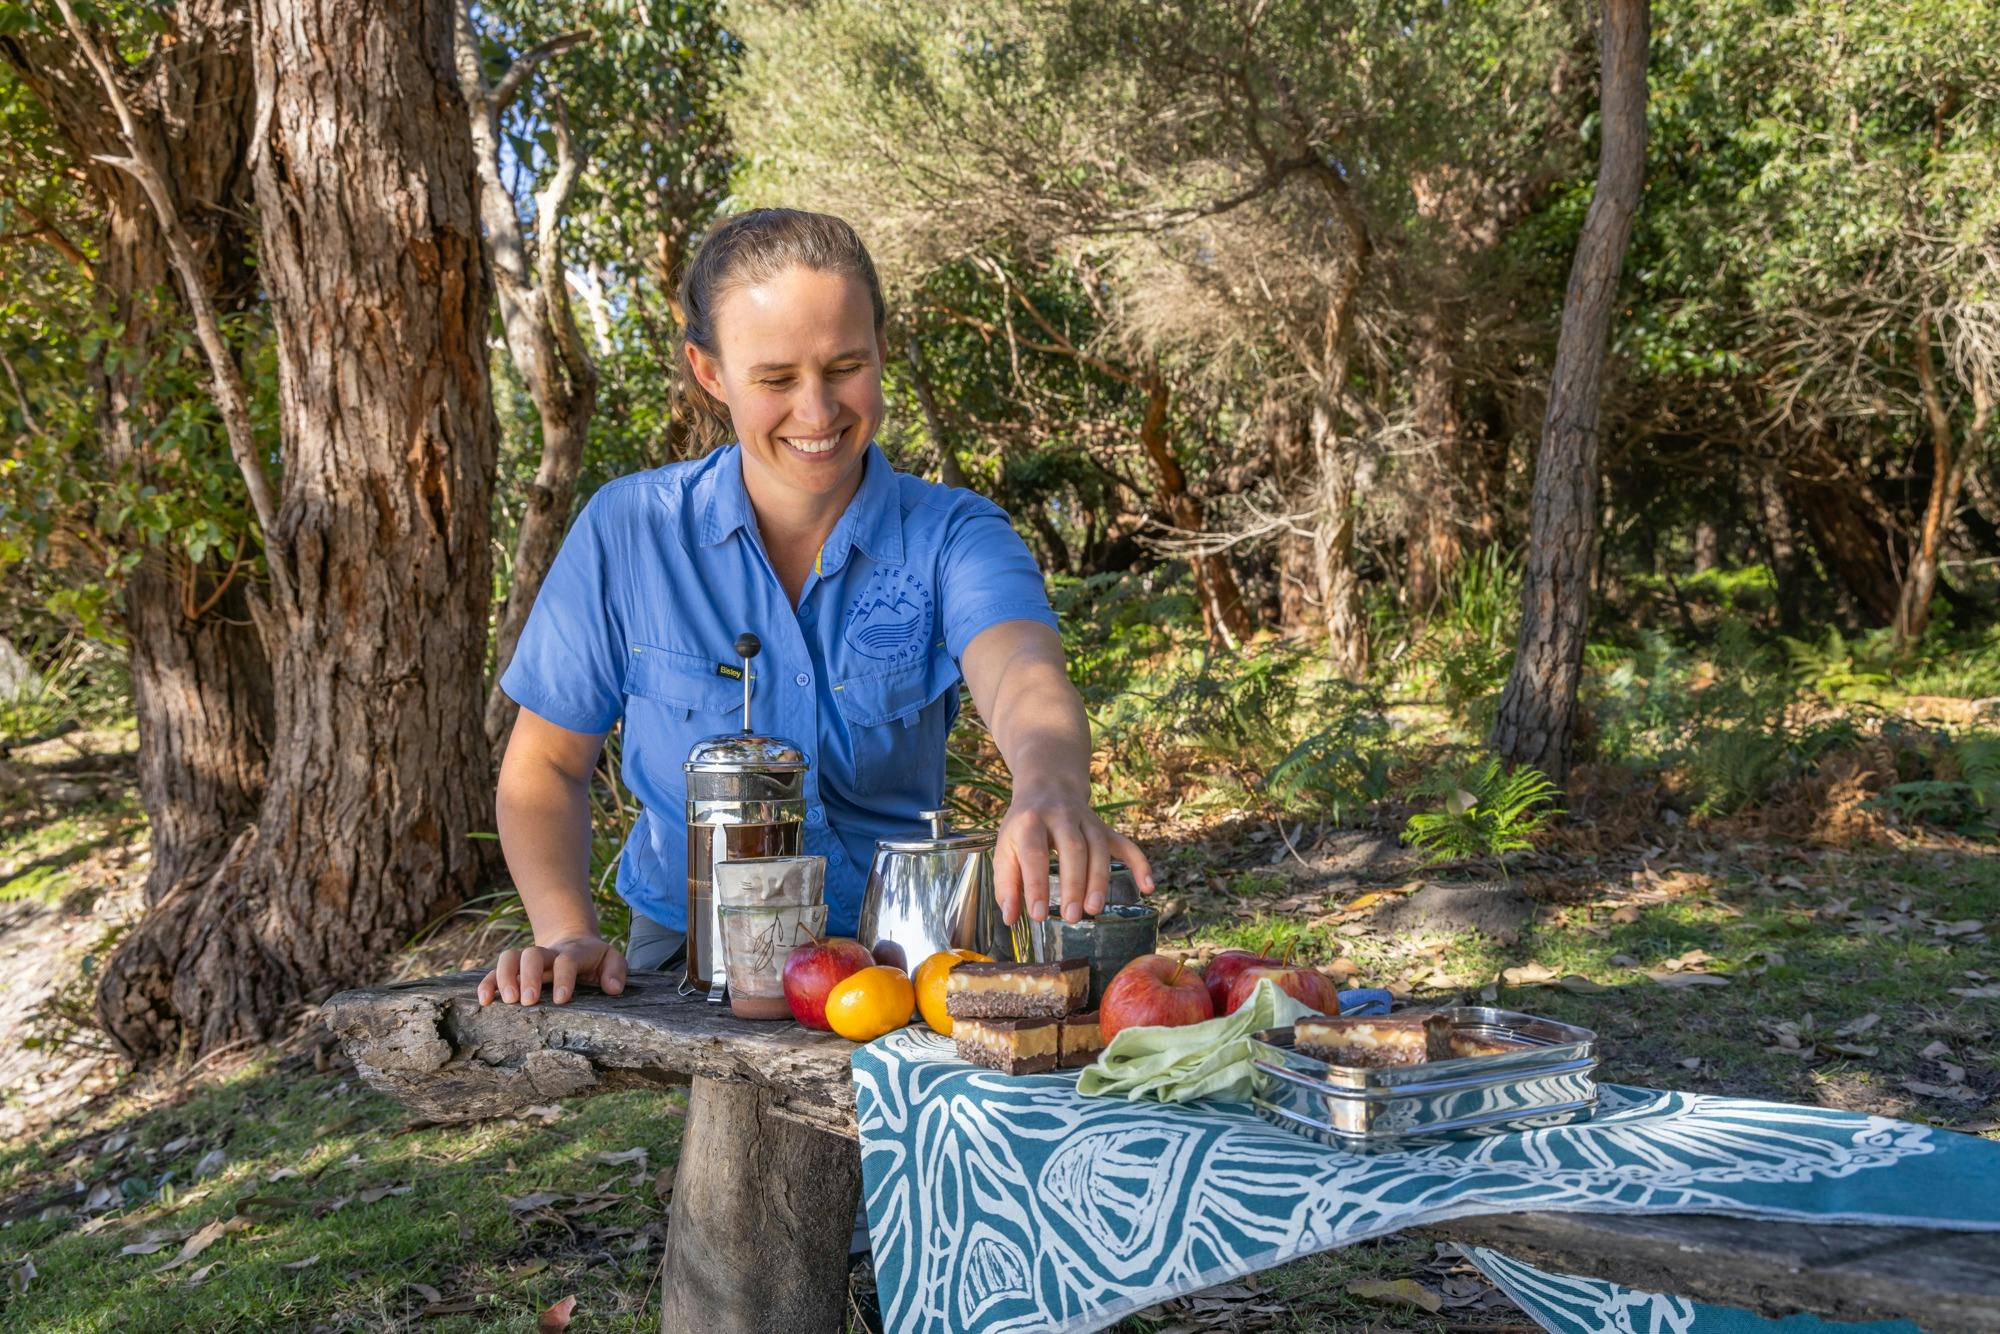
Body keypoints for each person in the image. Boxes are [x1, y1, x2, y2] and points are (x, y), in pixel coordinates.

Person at [478, 208, 1151, 1007]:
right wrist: (564, 930)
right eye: (774, 380)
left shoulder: (955, 535)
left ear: (881, 350)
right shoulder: (629, 532)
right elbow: (546, 767)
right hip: (685, 959)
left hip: (902, 950)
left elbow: (1022, 676)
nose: (818, 411)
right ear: (709, 372)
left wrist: (1050, 787)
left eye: (844, 367)